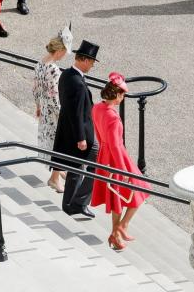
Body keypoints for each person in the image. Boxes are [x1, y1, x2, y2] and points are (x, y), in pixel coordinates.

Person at [90, 72, 151, 251]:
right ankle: (122, 226)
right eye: (122, 94)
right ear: (116, 94)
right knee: (142, 188)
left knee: (115, 195)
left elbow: (98, 134)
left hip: (104, 154)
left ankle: (116, 233)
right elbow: (116, 145)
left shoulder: (97, 108)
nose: (123, 98)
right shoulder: (114, 118)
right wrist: (123, 169)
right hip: (117, 158)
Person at [54, 40, 101, 218]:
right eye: (92, 62)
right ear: (86, 60)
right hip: (81, 134)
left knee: (75, 166)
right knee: (96, 164)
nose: (92, 66)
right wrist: (81, 138)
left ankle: (69, 204)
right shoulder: (79, 84)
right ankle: (79, 202)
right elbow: (76, 113)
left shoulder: (66, 74)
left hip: (69, 130)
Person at [34, 25, 73, 193]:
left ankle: (59, 171)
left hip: (44, 109)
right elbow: (55, 95)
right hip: (54, 112)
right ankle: (54, 178)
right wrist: (62, 114)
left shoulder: (40, 63)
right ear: (60, 50)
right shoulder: (54, 69)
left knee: (53, 142)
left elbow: (35, 88)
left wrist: (38, 106)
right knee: (60, 144)